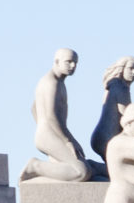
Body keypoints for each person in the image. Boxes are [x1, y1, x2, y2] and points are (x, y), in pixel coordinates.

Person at [22, 49, 97, 182]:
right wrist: (68, 141)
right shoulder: (52, 83)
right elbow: (51, 117)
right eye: (68, 62)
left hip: (50, 133)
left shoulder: (58, 81)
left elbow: (34, 107)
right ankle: (35, 166)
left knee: (87, 169)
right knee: (81, 173)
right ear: (57, 62)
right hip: (49, 134)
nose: (73, 66)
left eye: (75, 62)